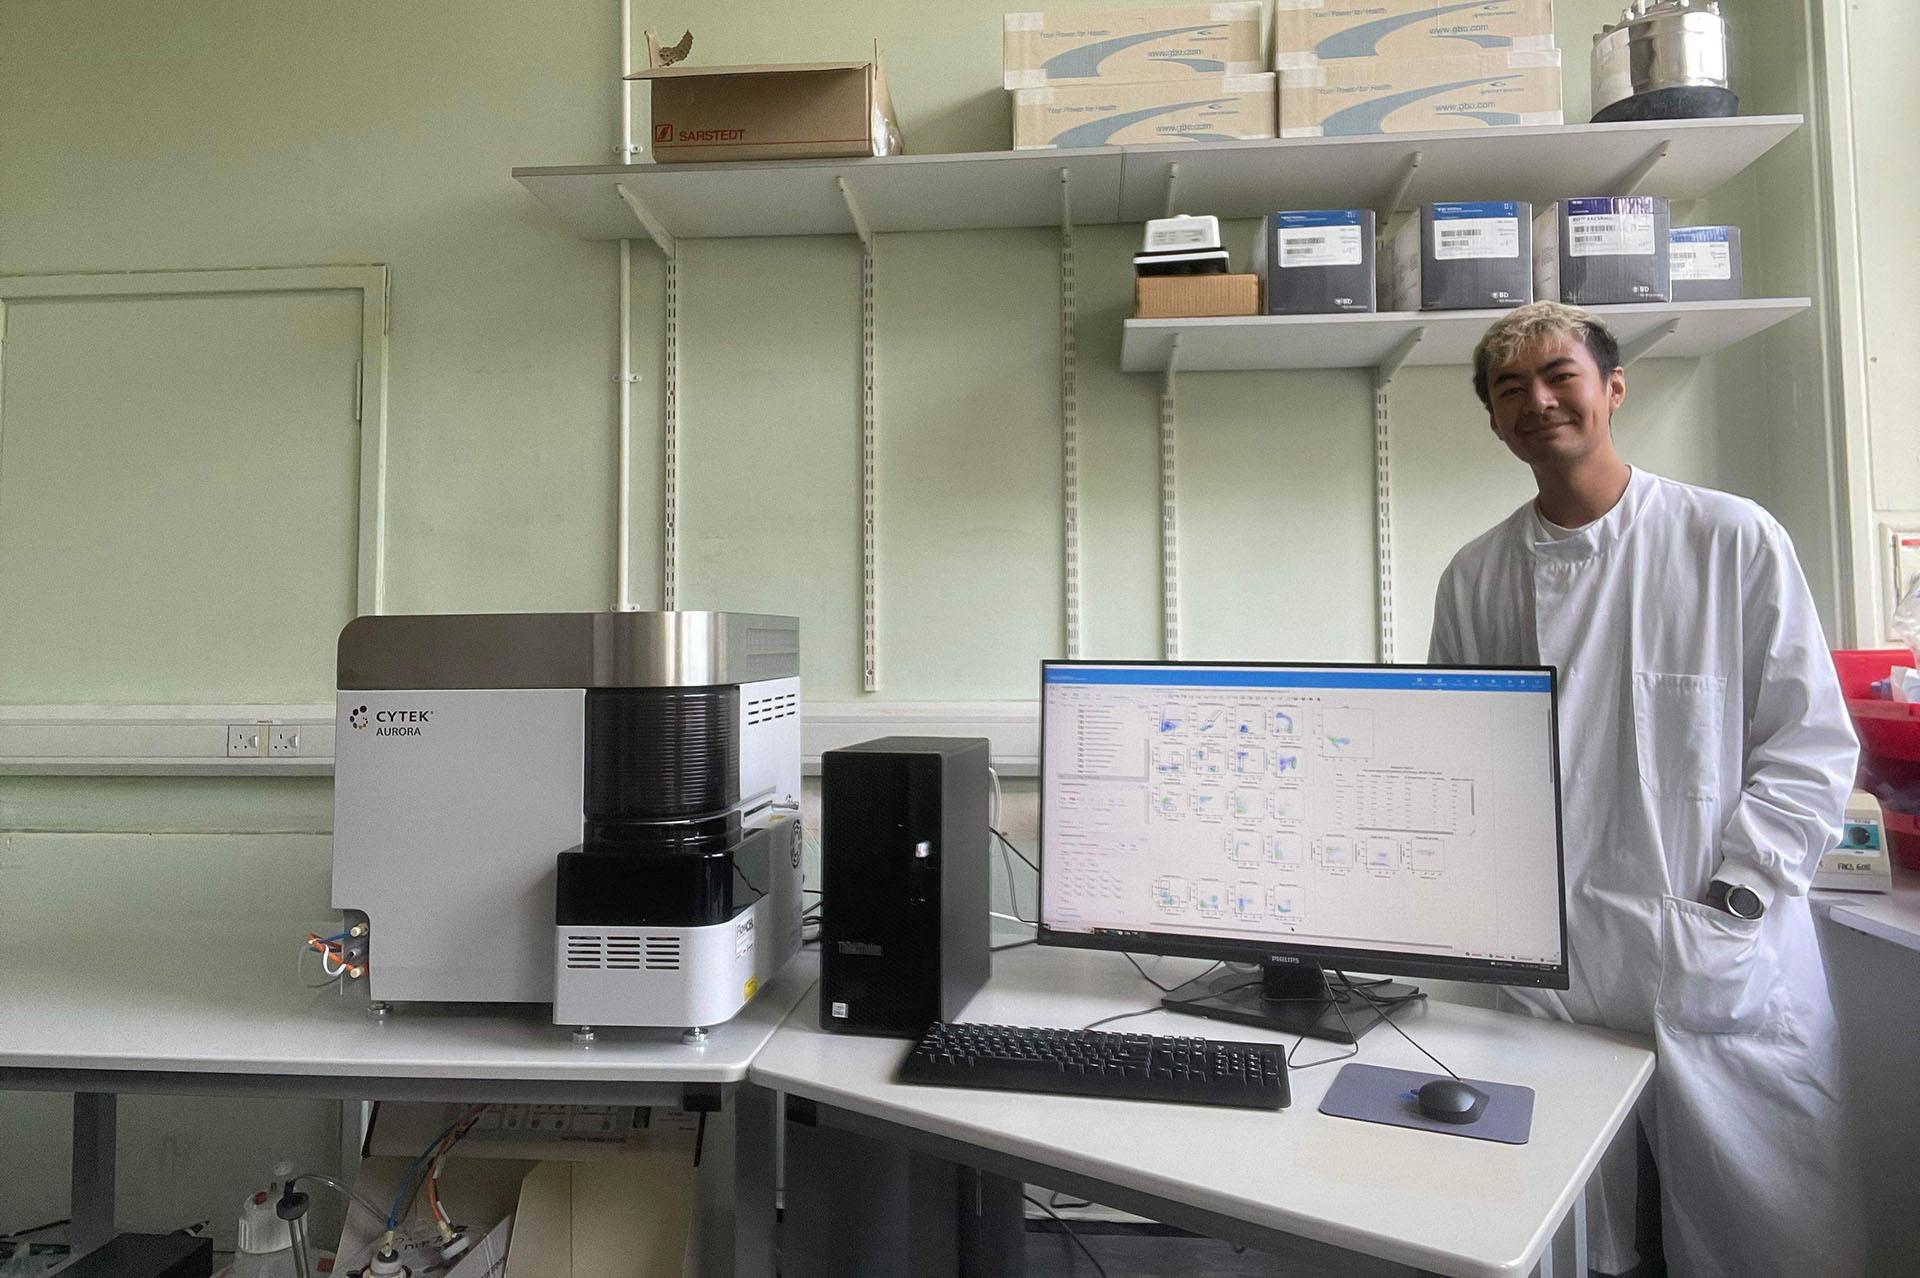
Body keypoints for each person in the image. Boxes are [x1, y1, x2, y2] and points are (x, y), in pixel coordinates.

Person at [1428, 302, 1861, 1278]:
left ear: (1612, 389)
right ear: (1495, 424)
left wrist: (1738, 895)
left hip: (1710, 953)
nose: (1538, 401)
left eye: (1559, 376)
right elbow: (1459, 766)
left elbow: (1809, 738)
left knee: (1768, 1232)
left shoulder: (1728, 539)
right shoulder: (1475, 579)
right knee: (1550, 1232)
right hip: (1551, 972)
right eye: (1510, 390)